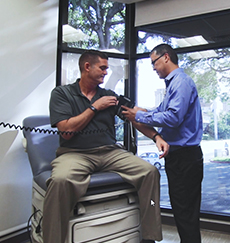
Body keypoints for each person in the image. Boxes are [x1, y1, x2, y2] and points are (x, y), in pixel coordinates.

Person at [45, 50, 167, 243]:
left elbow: (133, 118)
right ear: (87, 67)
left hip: (110, 152)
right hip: (75, 153)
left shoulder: (109, 95)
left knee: (149, 172)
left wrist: (156, 136)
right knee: (60, 180)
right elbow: (66, 131)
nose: (105, 73)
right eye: (102, 68)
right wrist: (94, 108)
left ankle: (149, 237)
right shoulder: (62, 94)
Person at [122, 43, 204, 243]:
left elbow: (173, 117)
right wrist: (140, 112)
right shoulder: (173, 85)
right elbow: (161, 111)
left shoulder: (181, 82)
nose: (153, 68)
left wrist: (140, 115)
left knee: (186, 213)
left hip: (186, 157)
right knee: (182, 210)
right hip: (178, 156)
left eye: (154, 62)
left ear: (166, 57)